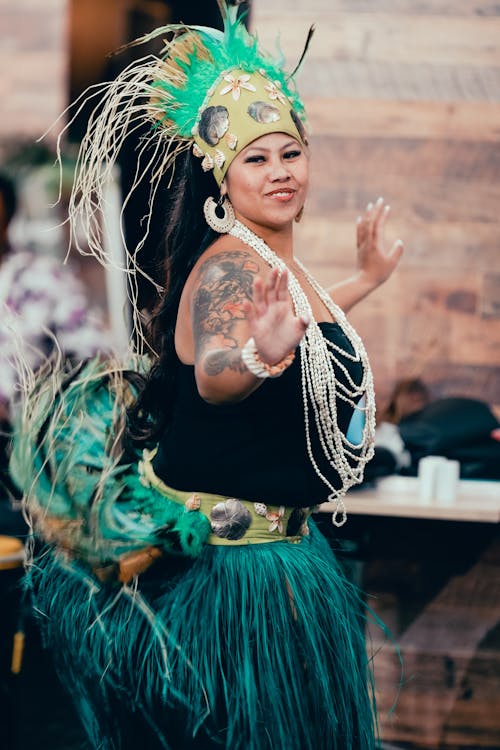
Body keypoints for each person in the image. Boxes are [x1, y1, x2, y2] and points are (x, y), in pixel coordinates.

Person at [10, 3, 404, 748]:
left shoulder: (271, 270)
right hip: (233, 582)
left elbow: (304, 325)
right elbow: (218, 371)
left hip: (282, 560)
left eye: (290, 153)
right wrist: (258, 357)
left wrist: (363, 281)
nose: (279, 172)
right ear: (223, 176)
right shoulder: (228, 270)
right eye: (257, 159)